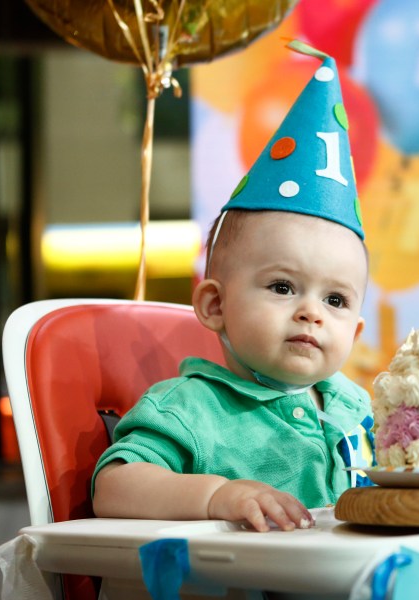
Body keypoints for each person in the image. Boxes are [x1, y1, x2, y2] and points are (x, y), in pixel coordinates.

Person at [91, 40, 374, 533]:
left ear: (356, 330)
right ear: (215, 304)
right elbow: (113, 487)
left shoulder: (357, 406)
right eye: (283, 287)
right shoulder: (190, 407)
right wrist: (216, 495)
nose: (313, 312)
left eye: (335, 300)